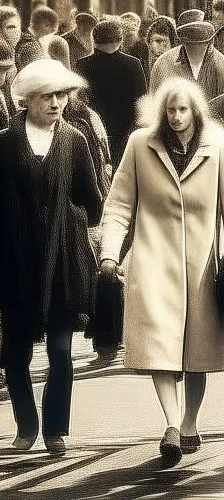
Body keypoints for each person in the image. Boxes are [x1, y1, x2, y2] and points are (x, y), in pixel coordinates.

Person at [98, 78, 224, 466]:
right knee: (159, 346)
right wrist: (108, 252)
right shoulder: (140, 144)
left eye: (183, 109)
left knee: (198, 350)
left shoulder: (221, 145)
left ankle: (190, 421)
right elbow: (120, 203)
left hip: (204, 264)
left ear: (196, 110)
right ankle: (171, 424)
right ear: (161, 111)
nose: (176, 117)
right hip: (152, 261)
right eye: (169, 110)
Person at [0, 61, 102, 456]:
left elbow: (92, 201)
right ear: (26, 99)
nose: (57, 103)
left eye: (62, 94)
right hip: (16, 262)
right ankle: (26, 425)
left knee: (61, 351)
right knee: (16, 352)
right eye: (47, 96)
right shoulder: (5, 143)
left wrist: (70, 222)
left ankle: (56, 428)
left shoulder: (74, 140)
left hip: (63, 261)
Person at [75, 19, 147, 166]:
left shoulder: (82, 65)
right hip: (126, 135)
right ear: (121, 40)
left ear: (94, 40)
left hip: (93, 134)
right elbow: (142, 101)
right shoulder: (133, 65)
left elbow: (79, 103)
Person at [149, 21, 224, 101]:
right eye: (191, 45)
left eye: (202, 44)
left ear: (210, 42)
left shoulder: (221, 62)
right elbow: (155, 103)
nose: (197, 48)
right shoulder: (163, 62)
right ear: (183, 42)